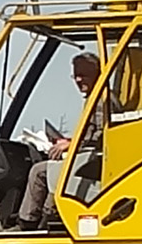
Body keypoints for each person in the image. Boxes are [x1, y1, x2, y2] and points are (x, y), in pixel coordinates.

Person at [16, 51, 105, 231]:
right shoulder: (95, 99)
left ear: (98, 74)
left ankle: (27, 223)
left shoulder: (103, 101)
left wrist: (70, 145)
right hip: (85, 156)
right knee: (53, 168)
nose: (78, 80)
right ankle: (46, 219)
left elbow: (103, 136)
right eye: (75, 75)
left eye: (84, 75)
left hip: (92, 160)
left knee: (39, 171)